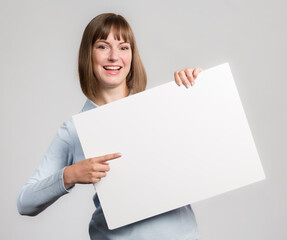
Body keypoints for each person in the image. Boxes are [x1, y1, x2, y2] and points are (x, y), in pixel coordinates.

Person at [17, 13, 202, 240]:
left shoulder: (160, 109)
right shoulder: (76, 129)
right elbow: (25, 203)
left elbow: (208, 147)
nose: (114, 57)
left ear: (132, 56)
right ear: (89, 55)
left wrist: (196, 89)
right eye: (103, 46)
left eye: (123, 47)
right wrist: (71, 174)